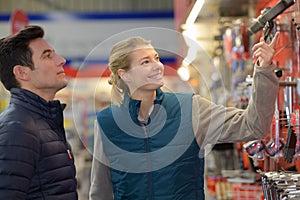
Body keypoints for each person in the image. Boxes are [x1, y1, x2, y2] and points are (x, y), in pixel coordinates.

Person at [89, 33, 280, 199]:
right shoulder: (107, 122)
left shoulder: (191, 108)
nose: (157, 66)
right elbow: (100, 191)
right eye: (145, 62)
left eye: (156, 58)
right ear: (125, 75)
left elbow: (253, 125)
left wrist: (263, 71)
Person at [0, 25, 78, 199]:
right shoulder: (17, 130)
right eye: (48, 56)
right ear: (22, 72)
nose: (61, 60)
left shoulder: (44, 122)